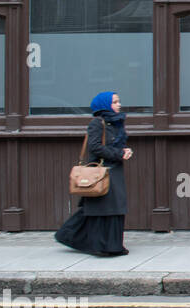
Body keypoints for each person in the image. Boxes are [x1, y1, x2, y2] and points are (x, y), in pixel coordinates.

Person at [55, 91, 134, 257]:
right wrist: (118, 153)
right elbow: (95, 147)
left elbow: (112, 145)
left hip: (114, 170)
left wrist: (124, 151)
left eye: (118, 101)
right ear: (105, 105)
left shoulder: (116, 123)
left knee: (114, 207)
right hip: (101, 172)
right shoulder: (98, 123)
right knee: (101, 208)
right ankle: (100, 245)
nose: (119, 104)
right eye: (115, 102)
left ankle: (112, 245)